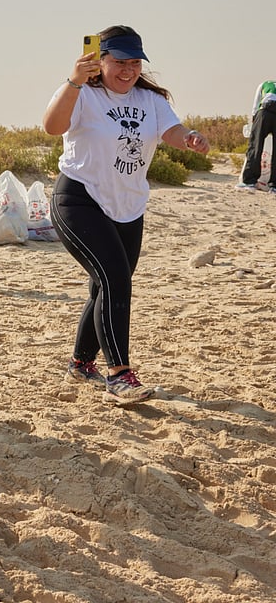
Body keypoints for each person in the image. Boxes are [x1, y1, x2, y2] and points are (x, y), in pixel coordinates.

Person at [42, 25, 209, 405]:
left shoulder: (149, 100)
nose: (128, 70)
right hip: (79, 198)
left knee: (107, 284)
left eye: (135, 63)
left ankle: (82, 363)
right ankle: (119, 375)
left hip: (129, 206)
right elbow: (52, 127)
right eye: (119, 62)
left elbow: (171, 129)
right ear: (100, 61)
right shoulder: (82, 93)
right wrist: (72, 81)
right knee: (115, 278)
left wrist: (190, 138)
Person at [238, 79, 276, 191]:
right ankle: (274, 186)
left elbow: (256, 104)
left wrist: (255, 120)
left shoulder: (264, 84)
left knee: (255, 145)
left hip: (265, 111)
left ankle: (249, 181)